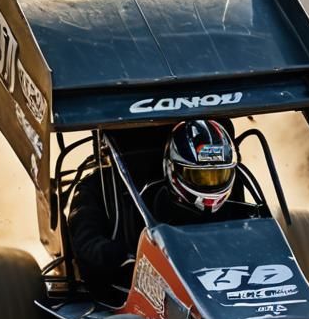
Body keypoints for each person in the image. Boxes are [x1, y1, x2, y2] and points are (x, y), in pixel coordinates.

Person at [68, 119, 238, 296]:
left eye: (219, 175)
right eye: (201, 177)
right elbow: (87, 245)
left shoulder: (234, 195)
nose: (212, 185)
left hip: (224, 284)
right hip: (138, 293)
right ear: (174, 169)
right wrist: (124, 257)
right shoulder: (97, 188)